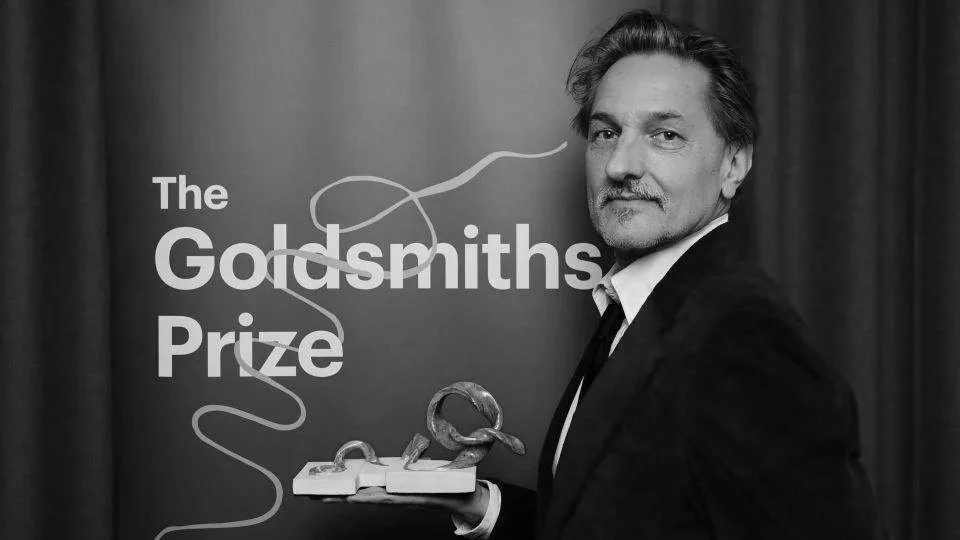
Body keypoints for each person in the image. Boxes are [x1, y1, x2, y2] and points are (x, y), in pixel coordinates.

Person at [328, 9, 885, 539]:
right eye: (606, 133)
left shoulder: (741, 336)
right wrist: (475, 502)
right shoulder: (639, 309)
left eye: (665, 135)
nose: (620, 166)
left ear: (734, 164)